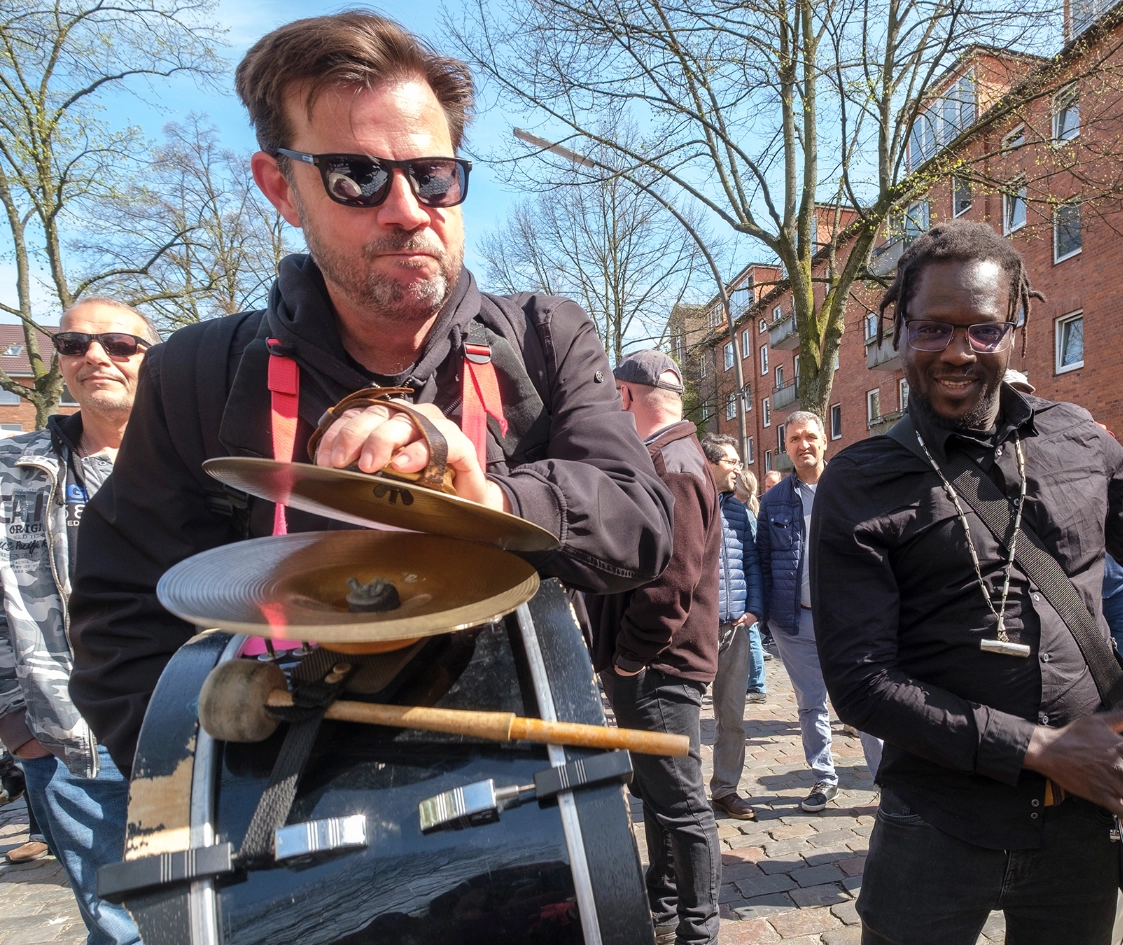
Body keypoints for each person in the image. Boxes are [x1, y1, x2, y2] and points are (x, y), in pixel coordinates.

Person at [67, 12, 673, 775]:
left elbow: (642, 527)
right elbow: (121, 619)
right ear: (281, 188)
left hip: (527, 790)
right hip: (284, 807)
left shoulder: (547, 336)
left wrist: (490, 499)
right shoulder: (197, 373)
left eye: (432, 175)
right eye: (357, 176)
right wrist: (205, 787)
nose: (408, 210)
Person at [811, 221, 1123, 945]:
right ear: (899, 328)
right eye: (933, 328)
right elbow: (861, 681)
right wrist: (1035, 745)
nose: (958, 351)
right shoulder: (861, 479)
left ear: (1016, 327)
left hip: (1082, 818)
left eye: (983, 330)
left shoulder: (1079, 438)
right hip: (938, 817)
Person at [0, 299, 155, 945]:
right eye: (75, 343)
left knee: (215, 911)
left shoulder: (201, 466)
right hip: (72, 747)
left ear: (157, 361)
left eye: (120, 344)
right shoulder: (14, 473)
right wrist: (18, 728)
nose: (96, 356)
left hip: (194, 733)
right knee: (120, 925)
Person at [588, 350, 721, 945]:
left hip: (660, 667)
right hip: (653, 664)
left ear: (624, 396)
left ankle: (697, 930)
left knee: (682, 804)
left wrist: (628, 658)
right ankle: (664, 910)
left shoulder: (673, 465)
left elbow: (671, 585)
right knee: (658, 794)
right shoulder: (667, 458)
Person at [759, 412, 884, 808]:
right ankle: (824, 778)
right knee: (810, 703)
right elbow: (763, 560)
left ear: (825, 440)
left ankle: (887, 779)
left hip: (848, 619)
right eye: (794, 439)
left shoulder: (849, 486)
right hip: (795, 621)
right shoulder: (773, 500)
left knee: (865, 695)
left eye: (810, 436)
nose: (803, 445)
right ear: (786, 447)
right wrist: (766, 617)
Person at [700, 434, 763, 822]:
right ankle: (684, 794)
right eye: (732, 461)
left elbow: (752, 562)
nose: (739, 468)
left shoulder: (739, 511)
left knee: (733, 717)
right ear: (709, 463)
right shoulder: (684, 504)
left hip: (736, 628)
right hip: (695, 631)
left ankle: (725, 789)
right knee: (686, 719)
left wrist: (754, 607)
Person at [733, 470, 768, 703]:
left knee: (751, 632)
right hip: (746, 582)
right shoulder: (750, 511)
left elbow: (751, 555)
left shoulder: (746, 515)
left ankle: (756, 684)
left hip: (747, 583)